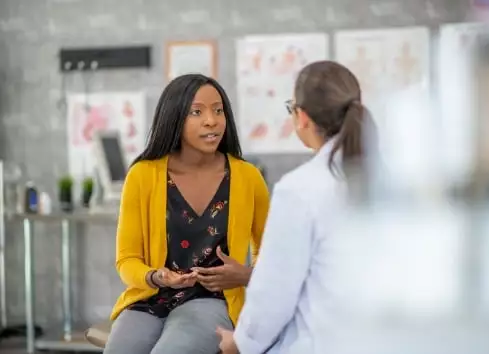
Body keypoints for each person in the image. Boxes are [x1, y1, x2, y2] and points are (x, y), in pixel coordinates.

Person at [217, 61, 377, 353]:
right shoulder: (394, 177)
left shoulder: (300, 189)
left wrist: (238, 344)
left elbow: (274, 295)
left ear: (301, 117)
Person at [104, 74, 270, 354]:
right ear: (174, 118)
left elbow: (273, 255)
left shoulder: (248, 177)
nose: (211, 121)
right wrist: (156, 276)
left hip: (214, 299)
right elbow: (127, 260)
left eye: (218, 110)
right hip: (150, 298)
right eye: (197, 112)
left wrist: (245, 275)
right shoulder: (142, 175)